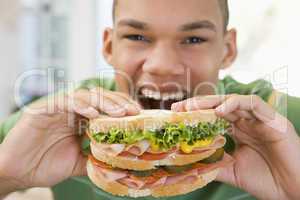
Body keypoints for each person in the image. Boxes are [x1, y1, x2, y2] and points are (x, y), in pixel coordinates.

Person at [1, 0, 300, 200]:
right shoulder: (57, 121)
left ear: (228, 49)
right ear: (109, 45)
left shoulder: (276, 122)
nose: (162, 65)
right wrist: (8, 175)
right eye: (137, 37)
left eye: (194, 39)